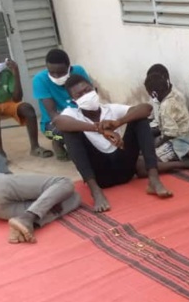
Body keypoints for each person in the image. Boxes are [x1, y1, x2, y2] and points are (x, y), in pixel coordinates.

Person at [54, 75, 172, 212]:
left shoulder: (110, 109)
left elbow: (146, 108)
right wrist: (99, 129)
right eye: (79, 95)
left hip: (124, 168)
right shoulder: (72, 114)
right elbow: (59, 123)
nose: (85, 95)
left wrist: (118, 123)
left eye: (87, 91)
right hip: (100, 176)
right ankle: (95, 191)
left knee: (140, 119)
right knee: (70, 133)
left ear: (95, 91)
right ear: (74, 101)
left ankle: (154, 180)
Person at [0, 129, 80, 243]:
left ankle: (25, 225)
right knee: (64, 182)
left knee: (74, 199)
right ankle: (28, 217)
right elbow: (7, 179)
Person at [0, 44, 52, 158]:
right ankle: (0, 153)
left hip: (8, 103)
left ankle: (35, 147)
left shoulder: (6, 73)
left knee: (28, 108)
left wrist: (16, 73)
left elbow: (17, 98)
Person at [32, 49, 92, 160]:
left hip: (80, 115)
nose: (56, 76)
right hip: (51, 127)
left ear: (69, 67)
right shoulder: (40, 80)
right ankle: (57, 142)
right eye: (51, 72)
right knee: (71, 133)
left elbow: (89, 99)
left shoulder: (78, 71)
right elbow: (53, 115)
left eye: (60, 73)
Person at [144, 70, 189, 163]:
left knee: (148, 160)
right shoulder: (174, 94)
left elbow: (171, 133)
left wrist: (157, 144)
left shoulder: (166, 106)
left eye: (150, 94)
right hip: (184, 136)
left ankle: (187, 163)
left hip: (177, 142)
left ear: (154, 94)